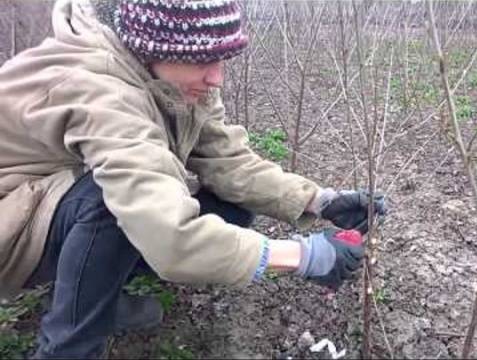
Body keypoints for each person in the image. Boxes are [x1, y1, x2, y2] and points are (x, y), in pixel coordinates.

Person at [0, 0, 385, 358]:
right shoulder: (100, 89)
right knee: (109, 201)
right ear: (154, 49)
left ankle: (99, 291)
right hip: (10, 218)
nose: (216, 77)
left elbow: (228, 161)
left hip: (48, 195)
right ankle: (67, 345)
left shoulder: (176, 77)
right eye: (203, 61)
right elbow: (171, 236)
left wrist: (319, 200)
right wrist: (306, 256)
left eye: (222, 59)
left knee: (230, 208)